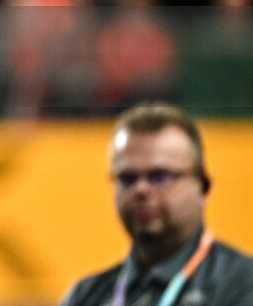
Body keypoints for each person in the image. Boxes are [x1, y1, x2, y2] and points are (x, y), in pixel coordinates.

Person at [61, 104, 253, 306]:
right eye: (127, 178)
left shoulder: (242, 287)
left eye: (159, 176)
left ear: (203, 187)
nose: (141, 190)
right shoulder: (86, 297)